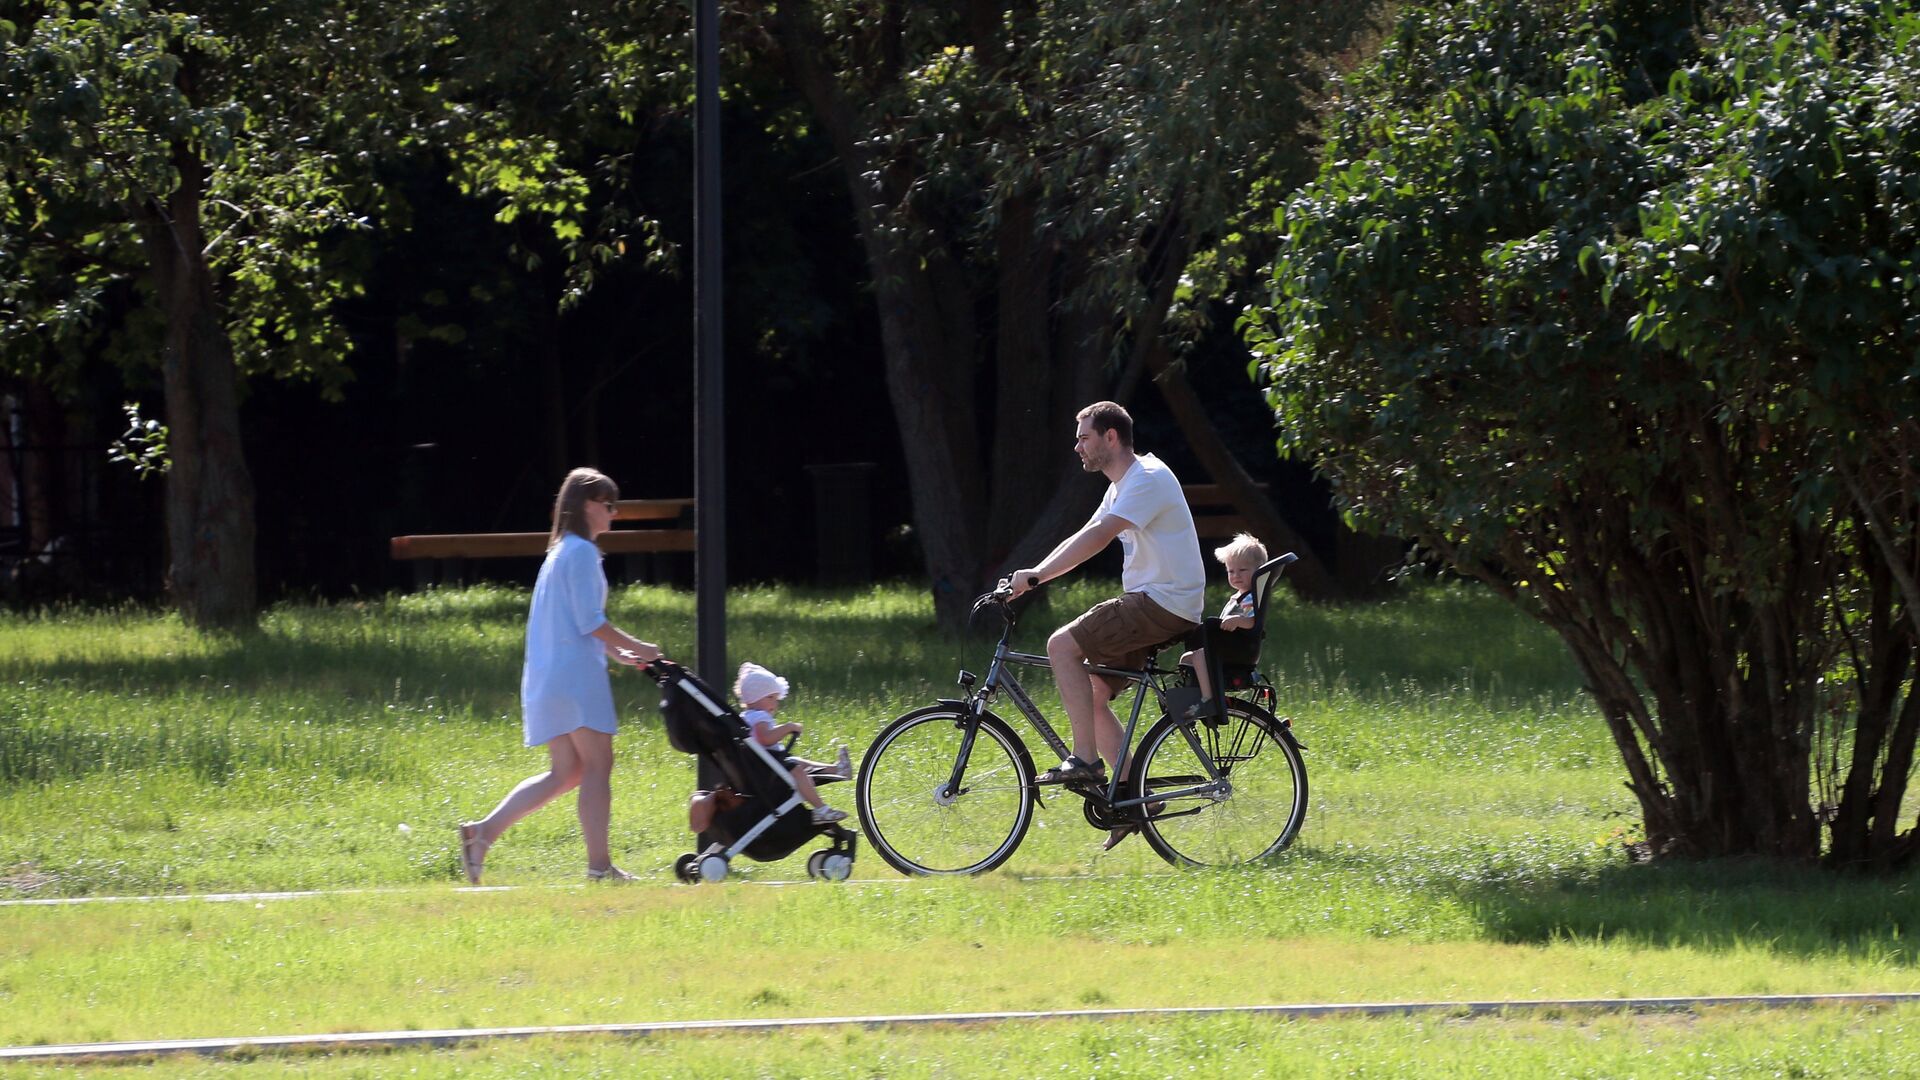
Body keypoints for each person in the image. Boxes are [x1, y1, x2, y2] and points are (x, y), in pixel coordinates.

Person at [458, 468, 661, 884]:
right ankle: (600, 868)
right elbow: (591, 620)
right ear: (588, 506)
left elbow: (578, 624)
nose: (613, 513)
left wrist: (620, 654)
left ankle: (482, 834)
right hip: (575, 680)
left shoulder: (558, 553)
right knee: (599, 765)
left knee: (566, 772)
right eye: (608, 505)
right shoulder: (583, 553)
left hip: (547, 678)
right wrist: (643, 648)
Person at [1007, 401, 1205, 813]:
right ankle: (1133, 800)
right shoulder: (1121, 485)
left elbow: (1100, 535)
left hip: (1161, 603)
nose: (1077, 447)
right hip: (1157, 602)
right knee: (1094, 694)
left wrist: (1036, 576)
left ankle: (1086, 760)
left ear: (1110, 437)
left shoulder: (1147, 478)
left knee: (1061, 646)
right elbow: (1086, 534)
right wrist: (1036, 574)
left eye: (1084, 438)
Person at [734, 662, 853, 824]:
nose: (775, 704)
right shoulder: (759, 717)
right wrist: (788, 727)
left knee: (796, 762)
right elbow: (765, 738)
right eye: (770, 697)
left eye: (776, 698)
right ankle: (820, 809)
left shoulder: (747, 717)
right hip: (768, 768)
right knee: (797, 771)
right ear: (754, 697)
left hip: (762, 765)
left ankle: (837, 769)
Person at [1178, 532, 1269, 712]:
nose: (1236, 575)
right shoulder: (1237, 597)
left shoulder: (1250, 598)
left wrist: (1237, 620)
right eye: (1231, 571)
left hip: (1240, 649)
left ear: (1258, 572)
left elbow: (1252, 622)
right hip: (1230, 646)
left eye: (1243, 570)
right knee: (1186, 658)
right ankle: (1193, 694)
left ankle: (1208, 697)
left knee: (1198, 656)